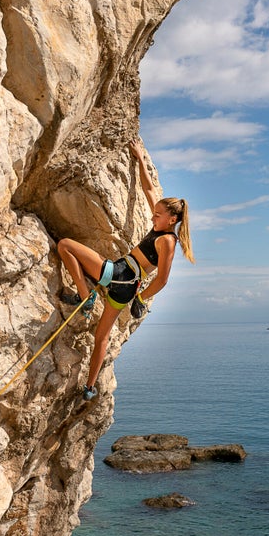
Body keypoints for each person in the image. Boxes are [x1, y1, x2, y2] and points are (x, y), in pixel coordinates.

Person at [57, 139, 194, 400]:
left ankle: (86, 295)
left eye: (157, 215)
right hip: (125, 288)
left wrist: (143, 298)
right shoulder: (160, 229)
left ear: (172, 219)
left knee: (65, 245)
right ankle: (90, 387)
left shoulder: (167, 241)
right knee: (102, 338)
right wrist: (139, 158)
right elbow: (149, 188)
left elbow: (163, 280)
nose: (153, 217)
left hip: (120, 275)